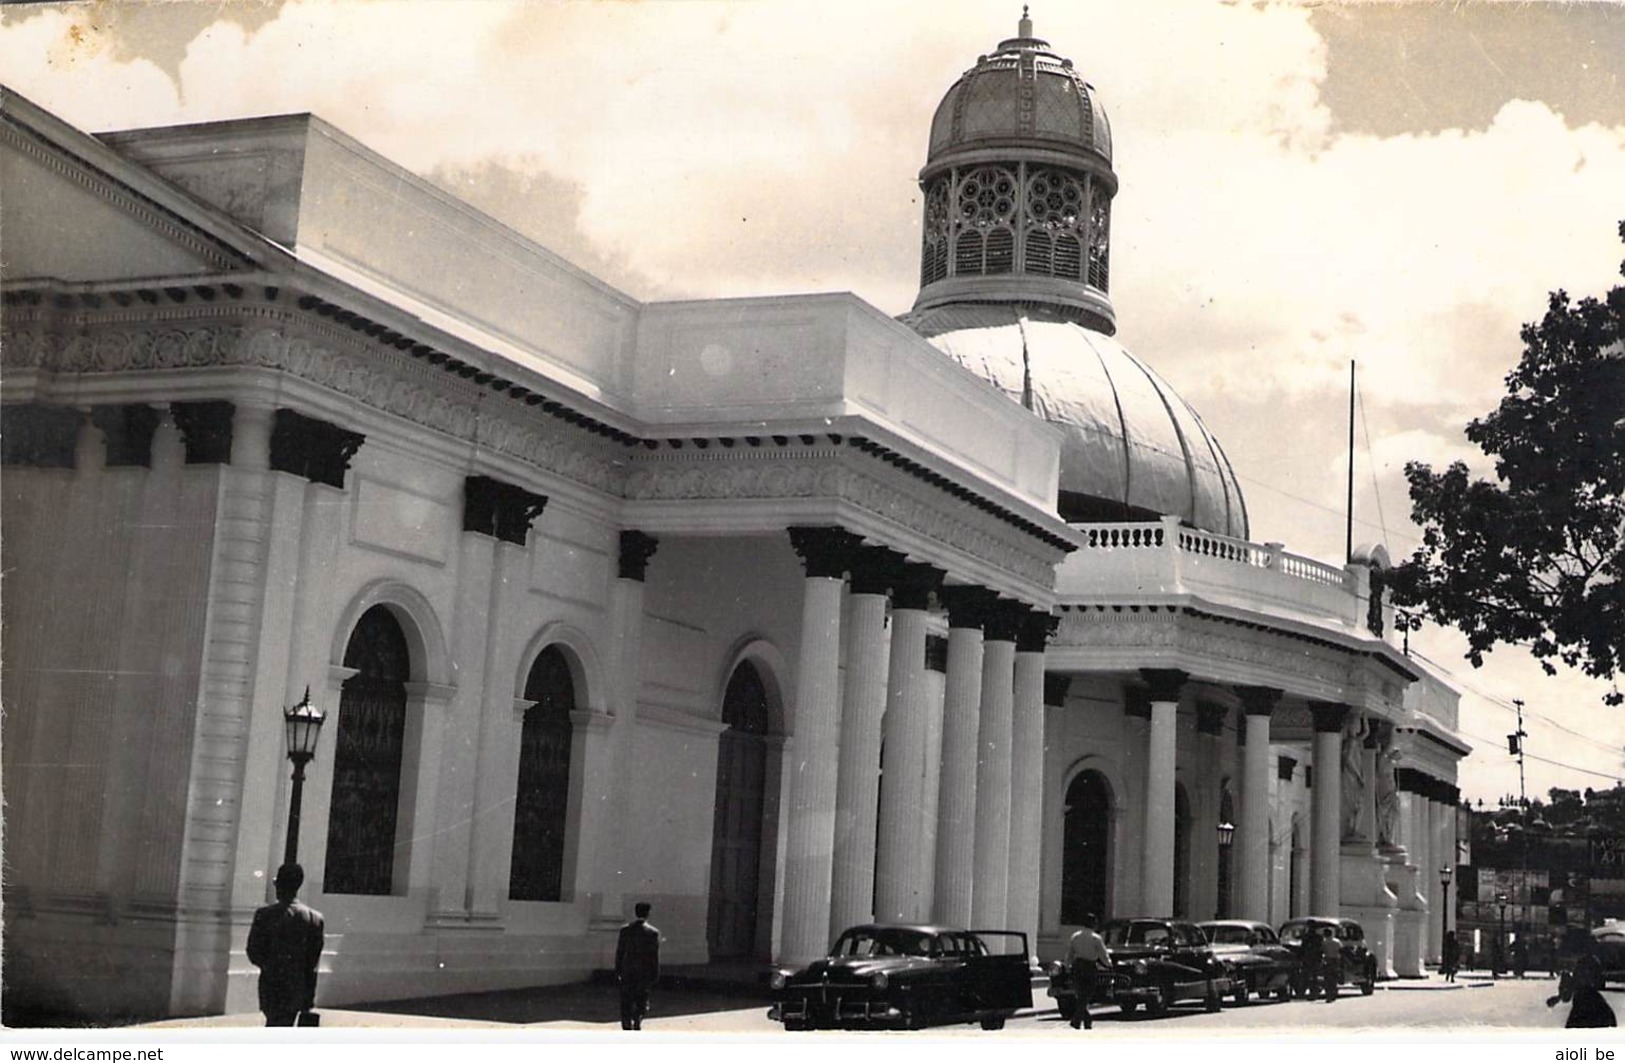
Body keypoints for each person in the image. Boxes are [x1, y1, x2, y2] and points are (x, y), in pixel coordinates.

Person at [245, 863, 325, 1027]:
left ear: (279, 885)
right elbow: (313, 961)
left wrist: (272, 966)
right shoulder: (314, 918)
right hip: (298, 988)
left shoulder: (264, 915)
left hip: (272, 986)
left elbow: (253, 951)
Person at [615, 901, 662, 1031]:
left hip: (628, 970)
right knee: (642, 999)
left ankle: (626, 1024)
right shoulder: (653, 933)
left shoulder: (625, 930)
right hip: (644, 972)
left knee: (626, 1000)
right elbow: (654, 955)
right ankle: (637, 1018)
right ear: (648, 914)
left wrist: (618, 969)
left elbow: (620, 952)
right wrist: (656, 972)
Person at [1063, 913, 1112, 1030]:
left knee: (1081, 994)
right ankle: (1076, 1020)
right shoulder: (1096, 938)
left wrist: (1067, 965)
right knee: (1087, 994)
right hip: (1089, 967)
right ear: (1093, 924)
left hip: (1077, 966)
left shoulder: (1075, 936)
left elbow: (1070, 953)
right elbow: (1103, 955)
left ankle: (1086, 1019)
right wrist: (1109, 965)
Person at [1319, 926, 1343, 1002]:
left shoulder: (1324, 942)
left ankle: (1328, 994)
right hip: (1335, 960)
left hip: (1327, 960)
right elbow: (1341, 951)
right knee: (1334, 978)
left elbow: (1322, 951)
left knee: (1327, 978)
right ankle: (1334, 993)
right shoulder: (1337, 941)